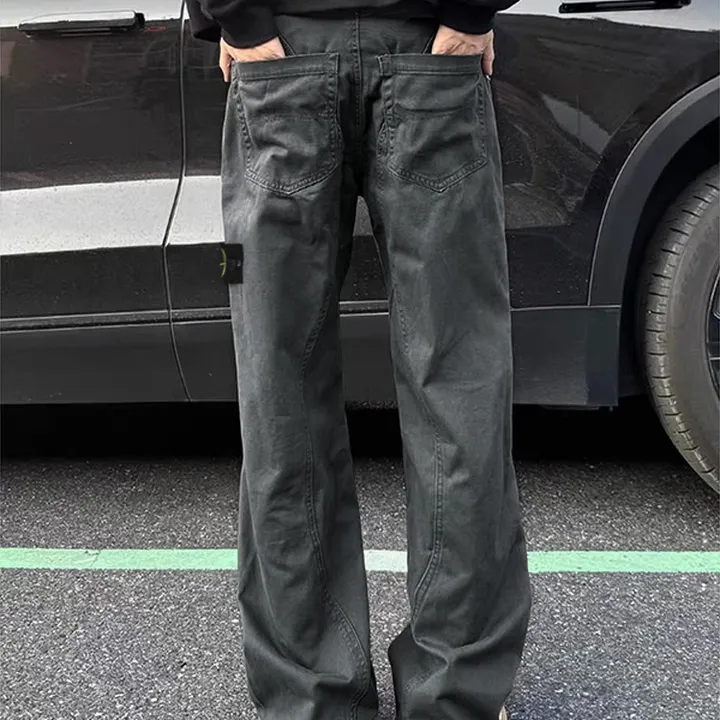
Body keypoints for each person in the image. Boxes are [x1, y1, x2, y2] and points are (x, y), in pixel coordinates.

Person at [187, 2, 531, 718]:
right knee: (459, 382)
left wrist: (236, 17)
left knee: (279, 387)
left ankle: (312, 696)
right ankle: (455, 695)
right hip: (429, 50)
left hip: (282, 55)